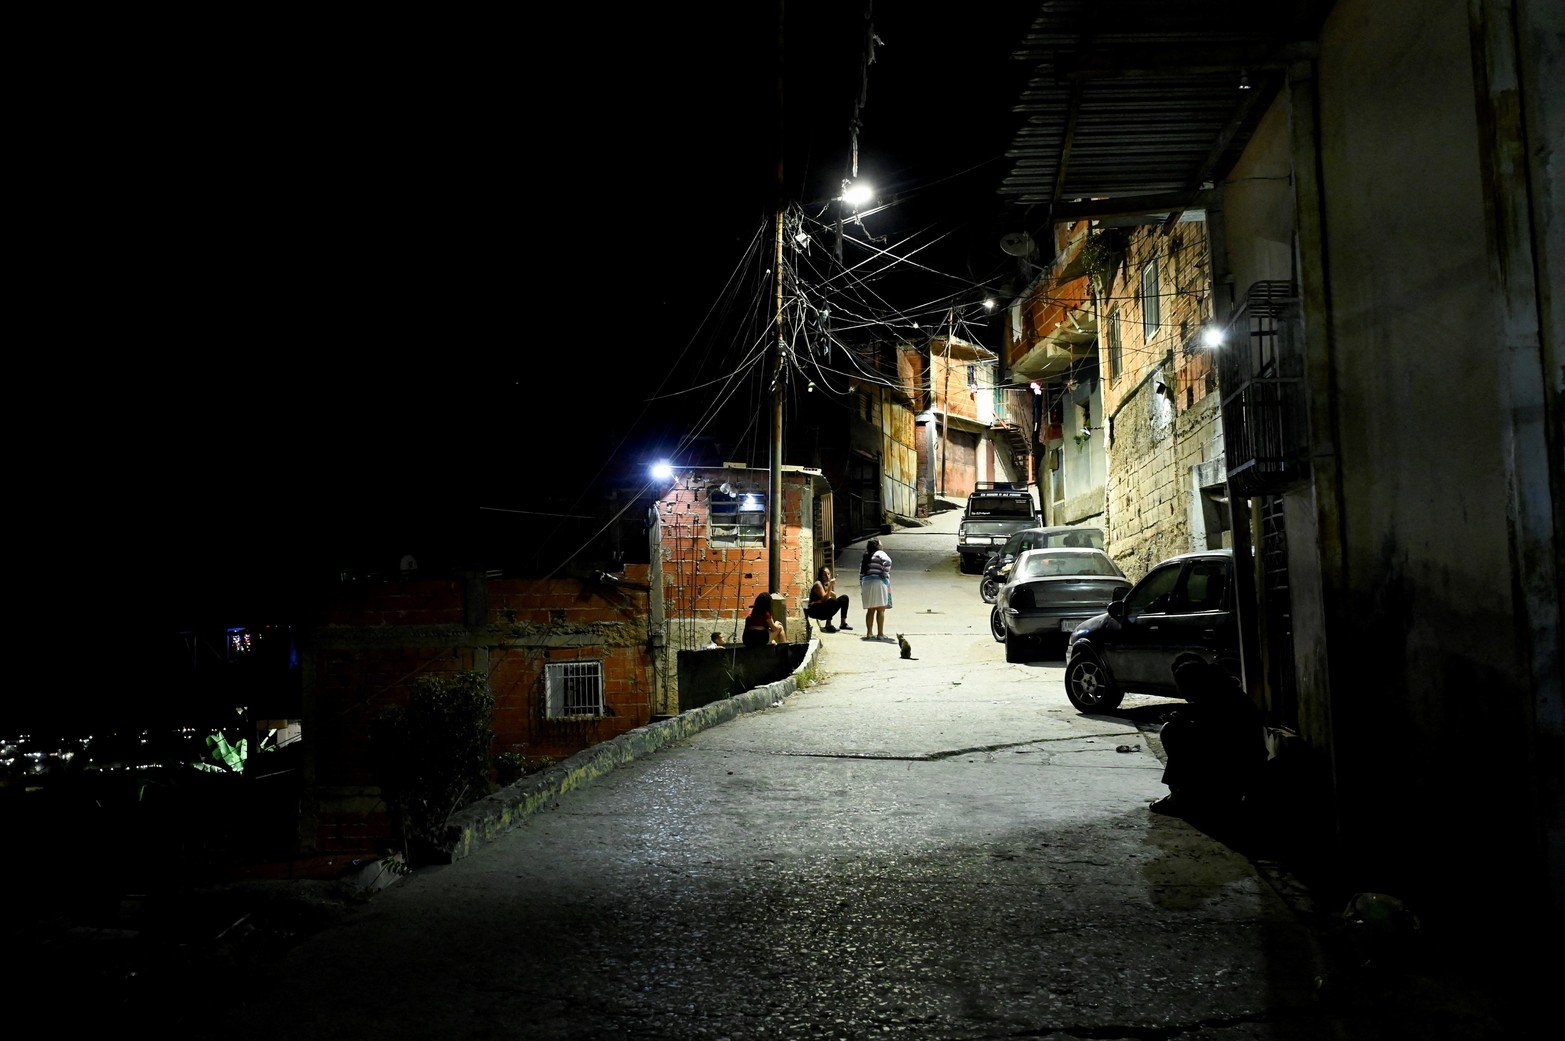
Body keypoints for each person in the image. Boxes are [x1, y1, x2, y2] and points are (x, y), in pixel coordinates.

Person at [1150, 659, 1266, 822]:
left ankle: (1179, 795)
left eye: (1181, 686)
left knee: (1172, 732)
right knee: (1178, 732)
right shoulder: (1224, 693)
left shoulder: (1222, 699)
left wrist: (1184, 724)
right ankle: (1187, 793)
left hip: (1238, 766)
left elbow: (1216, 738)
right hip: (1243, 763)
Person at [858, 538, 893, 641]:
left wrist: (862, 586)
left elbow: (861, 573)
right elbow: (888, 561)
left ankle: (869, 633)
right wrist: (884, 573)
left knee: (870, 610)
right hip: (878, 582)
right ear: (877, 545)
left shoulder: (866, 556)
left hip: (866, 583)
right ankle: (880, 634)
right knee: (880, 609)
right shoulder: (880, 553)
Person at [804, 565, 853, 632]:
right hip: (814, 611)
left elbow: (834, 597)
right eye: (825, 575)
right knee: (830, 601)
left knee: (844, 598)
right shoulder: (818, 584)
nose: (827, 576)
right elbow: (825, 599)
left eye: (828, 574)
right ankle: (828, 625)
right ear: (821, 576)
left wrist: (830, 588)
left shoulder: (827, 584)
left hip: (822, 608)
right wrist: (830, 586)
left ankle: (843, 623)